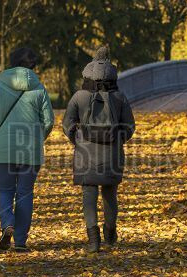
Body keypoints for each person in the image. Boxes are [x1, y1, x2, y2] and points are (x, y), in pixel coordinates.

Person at [62, 47, 135, 253]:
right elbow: (130, 125)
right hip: (112, 153)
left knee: (89, 194)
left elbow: (67, 123)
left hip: (86, 153)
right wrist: (119, 137)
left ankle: (93, 240)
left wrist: (76, 138)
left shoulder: (79, 96)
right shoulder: (119, 97)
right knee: (110, 194)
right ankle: (110, 234)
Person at [0, 47, 54, 252]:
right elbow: (48, 120)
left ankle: (7, 224)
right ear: (33, 66)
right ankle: (21, 241)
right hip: (30, 150)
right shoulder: (39, 88)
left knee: (5, 190)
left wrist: (1, 131)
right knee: (25, 193)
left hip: (4, 148)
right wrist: (39, 137)